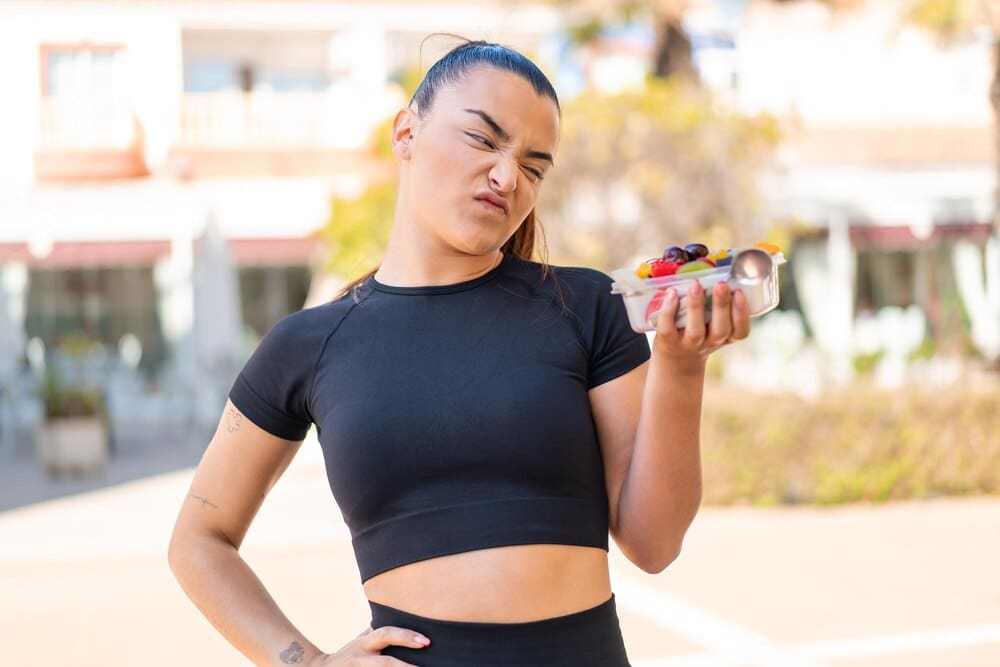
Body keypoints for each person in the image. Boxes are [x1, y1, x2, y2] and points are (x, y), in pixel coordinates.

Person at [168, 39, 751, 667]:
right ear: (406, 132)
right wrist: (306, 664)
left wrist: (682, 368)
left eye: (534, 166)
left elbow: (654, 543)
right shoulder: (310, 344)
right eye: (483, 139)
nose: (507, 177)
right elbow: (199, 540)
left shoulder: (585, 305)